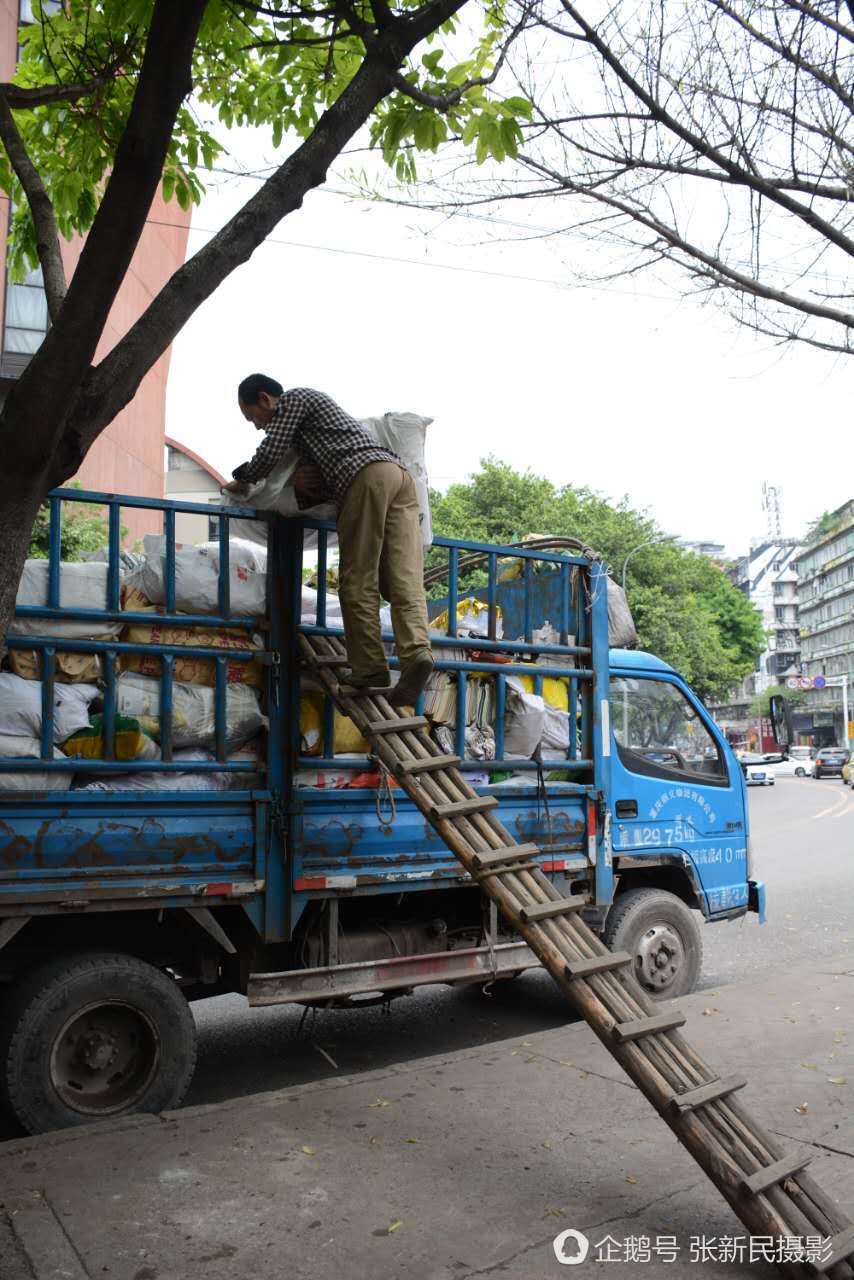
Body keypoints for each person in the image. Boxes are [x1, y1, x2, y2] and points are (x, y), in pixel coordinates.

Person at [224, 374, 434, 707]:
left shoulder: (294, 400)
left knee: (357, 580)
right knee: (403, 579)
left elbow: (270, 451)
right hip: (399, 481)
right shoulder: (321, 435)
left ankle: (370, 668)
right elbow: (313, 484)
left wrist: (243, 478)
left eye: (253, 417)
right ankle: (417, 653)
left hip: (366, 479)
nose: (257, 426)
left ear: (265, 399)